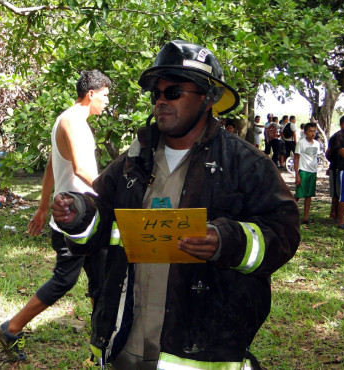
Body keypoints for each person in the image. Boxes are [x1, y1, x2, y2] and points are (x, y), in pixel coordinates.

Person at [50, 40, 300, 369]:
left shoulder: (245, 163)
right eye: (157, 93)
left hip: (201, 349)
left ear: (208, 98)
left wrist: (228, 241)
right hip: (127, 345)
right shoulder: (133, 160)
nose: (161, 102)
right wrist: (78, 215)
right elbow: (98, 221)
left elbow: (283, 232)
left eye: (174, 93)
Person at [0, 70, 111, 361]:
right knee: (65, 279)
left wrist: (43, 207)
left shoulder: (67, 119)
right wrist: (114, 194)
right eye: (105, 95)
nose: (107, 102)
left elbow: (50, 168)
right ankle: (12, 327)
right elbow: (83, 170)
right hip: (74, 218)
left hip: (84, 216)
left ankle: (101, 339)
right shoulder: (74, 122)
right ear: (91, 94)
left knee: (101, 276)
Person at [294, 123, 321, 224]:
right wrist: (297, 175)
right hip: (303, 171)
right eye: (310, 131)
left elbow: (315, 157)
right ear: (305, 132)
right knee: (299, 194)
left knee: (309, 195)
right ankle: (288, 211)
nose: (313, 133)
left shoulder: (316, 144)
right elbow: (296, 159)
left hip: (312, 172)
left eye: (314, 131)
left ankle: (305, 218)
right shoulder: (301, 143)